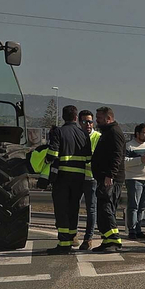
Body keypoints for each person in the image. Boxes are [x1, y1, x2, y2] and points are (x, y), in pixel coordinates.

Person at [46, 105, 92, 254]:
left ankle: (64, 242)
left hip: (62, 177)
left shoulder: (59, 131)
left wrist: (44, 160)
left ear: (63, 117)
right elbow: (87, 158)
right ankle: (72, 238)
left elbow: (52, 154)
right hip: (79, 177)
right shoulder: (84, 134)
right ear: (75, 117)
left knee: (61, 209)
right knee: (74, 208)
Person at [89, 106, 126, 252]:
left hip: (111, 179)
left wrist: (110, 175)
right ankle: (106, 240)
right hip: (105, 177)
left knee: (106, 208)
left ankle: (114, 241)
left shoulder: (114, 133)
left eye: (99, 118)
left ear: (108, 118)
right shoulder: (107, 132)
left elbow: (117, 155)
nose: (96, 120)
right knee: (103, 209)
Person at [123, 123, 145, 240]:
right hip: (134, 179)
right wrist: (140, 159)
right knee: (134, 206)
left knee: (142, 206)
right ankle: (131, 230)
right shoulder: (129, 146)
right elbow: (124, 162)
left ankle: (139, 229)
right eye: (144, 133)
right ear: (137, 134)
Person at [77, 109, 99, 251]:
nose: (88, 124)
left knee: (91, 210)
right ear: (80, 122)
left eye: (90, 121)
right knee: (73, 208)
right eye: (85, 122)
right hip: (77, 177)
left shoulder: (98, 137)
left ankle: (88, 239)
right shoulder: (76, 135)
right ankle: (73, 235)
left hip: (91, 178)